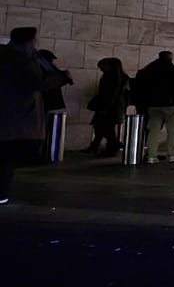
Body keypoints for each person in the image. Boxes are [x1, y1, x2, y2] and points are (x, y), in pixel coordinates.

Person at [1, 28, 70, 205]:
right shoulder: (23, 60)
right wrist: (61, 78)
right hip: (15, 116)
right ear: (30, 40)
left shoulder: (7, 55)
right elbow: (35, 83)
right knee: (6, 158)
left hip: (9, 115)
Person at [132, 50, 174, 163]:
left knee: (153, 130)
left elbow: (139, 88)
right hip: (172, 105)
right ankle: (172, 154)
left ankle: (151, 155)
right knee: (173, 130)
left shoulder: (147, 71)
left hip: (153, 105)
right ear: (171, 58)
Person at [84, 57, 130, 156]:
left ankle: (111, 147)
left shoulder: (111, 77)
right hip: (114, 107)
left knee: (105, 128)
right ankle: (102, 146)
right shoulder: (121, 77)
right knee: (103, 127)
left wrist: (105, 107)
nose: (101, 69)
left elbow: (111, 95)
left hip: (109, 107)